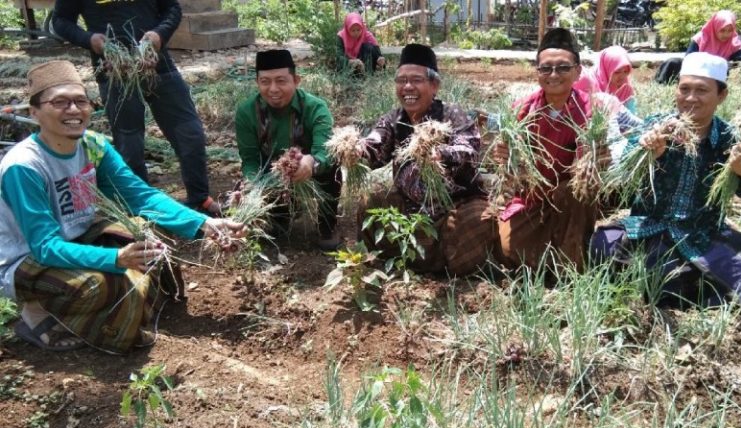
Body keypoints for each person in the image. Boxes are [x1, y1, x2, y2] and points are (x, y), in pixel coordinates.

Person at [0, 61, 245, 354]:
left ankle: (99, 308)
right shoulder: (25, 167)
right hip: (27, 259)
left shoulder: (92, 146)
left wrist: (205, 224)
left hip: (76, 238)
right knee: (100, 286)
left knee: (152, 245)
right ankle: (37, 314)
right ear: (35, 113)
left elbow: (140, 197)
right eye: (60, 102)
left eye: (81, 101)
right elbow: (45, 247)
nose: (74, 110)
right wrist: (116, 258)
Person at [591, 52, 741, 311]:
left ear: (721, 96)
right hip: (650, 228)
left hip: (703, 234)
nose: (690, 98)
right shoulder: (657, 127)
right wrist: (648, 155)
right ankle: (686, 288)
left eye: (701, 90)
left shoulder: (731, 139)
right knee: (602, 246)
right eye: (684, 89)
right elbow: (624, 173)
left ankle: (689, 287)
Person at [52, 0, 222, 216]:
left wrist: (159, 35)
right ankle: (143, 209)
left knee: (190, 133)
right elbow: (60, 20)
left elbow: (171, 8)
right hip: (115, 70)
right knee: (129, 144)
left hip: (157, 65)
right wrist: (90, 40)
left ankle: (199, 199)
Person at [355, 44, 494, 276]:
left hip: (455, 205)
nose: (407, 87)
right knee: (371, 202)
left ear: (434, 85)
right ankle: (389, 263)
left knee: (477, 220)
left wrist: (440, 154)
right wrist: (356, 149)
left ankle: (447, 270)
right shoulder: (393, 119)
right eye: (401, 80)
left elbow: (468, 148)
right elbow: (375, 144)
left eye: (416, 80)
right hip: (410, 206)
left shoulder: (452, 115)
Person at [493, 28, 605, 272]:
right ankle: (546, 260)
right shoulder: (521, 110)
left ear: (577, 71)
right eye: (546, 68)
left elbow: (606, 159)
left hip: (574, 199)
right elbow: (512, 168)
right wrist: (505, 159)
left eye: (563, 67)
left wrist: (593, 161)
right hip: (533, 197)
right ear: (537, 73)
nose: (554, 74)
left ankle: (570, 266)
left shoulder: (593, 110)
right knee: (509, 248)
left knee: (573, 193)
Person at [235, 49, 341, 251]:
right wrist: (253, 187)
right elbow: (249, 160)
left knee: (334, 164)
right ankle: (282, 213)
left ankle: (327, 223)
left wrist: (310, 162)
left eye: (281, 81)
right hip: (272, 176)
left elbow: (324, 152)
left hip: (309, 171)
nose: (273, 89)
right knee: (275, 228)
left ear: (296, 80)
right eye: (265, 81)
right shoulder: (246, 112)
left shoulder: (316, 108)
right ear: (257, 82)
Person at [655, 10, 741, 84]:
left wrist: (721, 65)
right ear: (715, 27)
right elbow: (688, 59)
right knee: (673, 62)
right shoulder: (701, 38)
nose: (726, 34)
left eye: (730, 30)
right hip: (695, 71)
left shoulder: (735, 43)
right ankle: (661, 85)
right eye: (722, 30)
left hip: (717, 76)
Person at [574, 45, 637, 114]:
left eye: (626, 72)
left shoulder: (626, 89)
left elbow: (632, 116)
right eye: (617, 72)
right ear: (606, 69)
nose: (622, 77)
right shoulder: (586, 83)